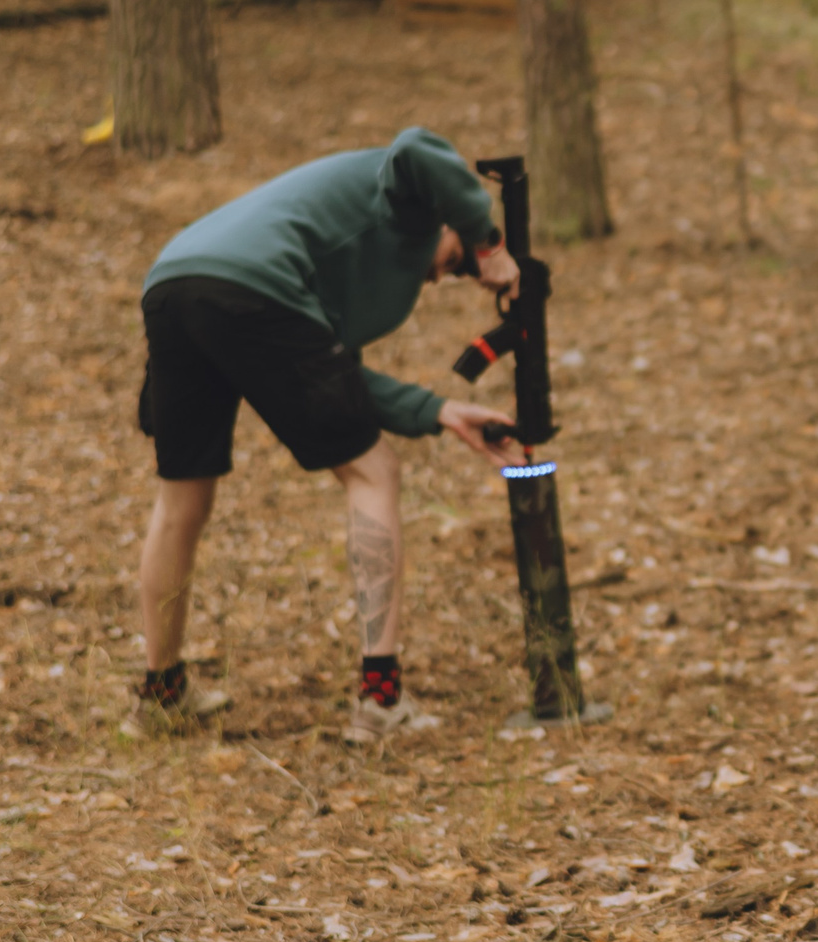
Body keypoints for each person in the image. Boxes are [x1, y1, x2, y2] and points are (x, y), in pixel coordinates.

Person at [133, 126, 525, 744]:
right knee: (374, 473)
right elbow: (417, 146)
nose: (446, 278)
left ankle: (161, 693)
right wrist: (489, 241)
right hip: (250, 284)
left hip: (175, 283)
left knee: (183, 496)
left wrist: (440, 411)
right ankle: (381, 697)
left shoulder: (356, 273)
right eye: (454, 263)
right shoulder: (409, 199)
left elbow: (335, 378)